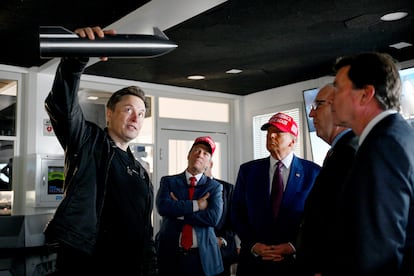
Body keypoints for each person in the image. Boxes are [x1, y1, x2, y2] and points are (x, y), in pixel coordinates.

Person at [43, 26, 157, 275]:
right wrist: (76, 57)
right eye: (128, 109)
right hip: (88, 263)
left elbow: (146, 232)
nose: (136, 118)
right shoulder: (88, 142)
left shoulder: (141, 171)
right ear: (109, 113)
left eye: (141, 113)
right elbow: (61, 105)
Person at [331, 52, 414, 275]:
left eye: (338, 88)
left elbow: (378, 250)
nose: (332, 97)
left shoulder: (383, 146)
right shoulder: (398, 135)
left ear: (366, 94)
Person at [231, 112, 321, 276]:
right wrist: (253, 245)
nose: (271, 135)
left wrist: (293, 246)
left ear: (293, 141)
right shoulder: (248, 171)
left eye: (278, 132)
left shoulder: (313, 173)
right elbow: (237, 212)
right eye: (269, 132)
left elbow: (318, 219)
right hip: (254, 263)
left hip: (293, 264)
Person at [295, 84, 358, 276]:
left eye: (318, 105)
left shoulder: (350, 152)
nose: (312, 114)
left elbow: (348, 220)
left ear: (339, 108)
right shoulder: (338, 152)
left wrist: (325, 266)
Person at [155, 136, 224, 276]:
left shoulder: (215, 187)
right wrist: (197, 205)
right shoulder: (169, 182)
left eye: (205, 153)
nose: (200, 154)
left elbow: (212, 218)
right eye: (197, 150)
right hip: (170, 255)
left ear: (209, 163)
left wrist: (178, 211)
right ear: (188, 155)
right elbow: (163, 207)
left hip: (202, 259)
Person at [204, 160, 239, 276]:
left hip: (220, 254)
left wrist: (222, 240)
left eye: (205, 157)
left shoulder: (228, 189)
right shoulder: (186, 188)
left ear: (211, 164)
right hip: (192, 255)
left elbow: (235, 220)